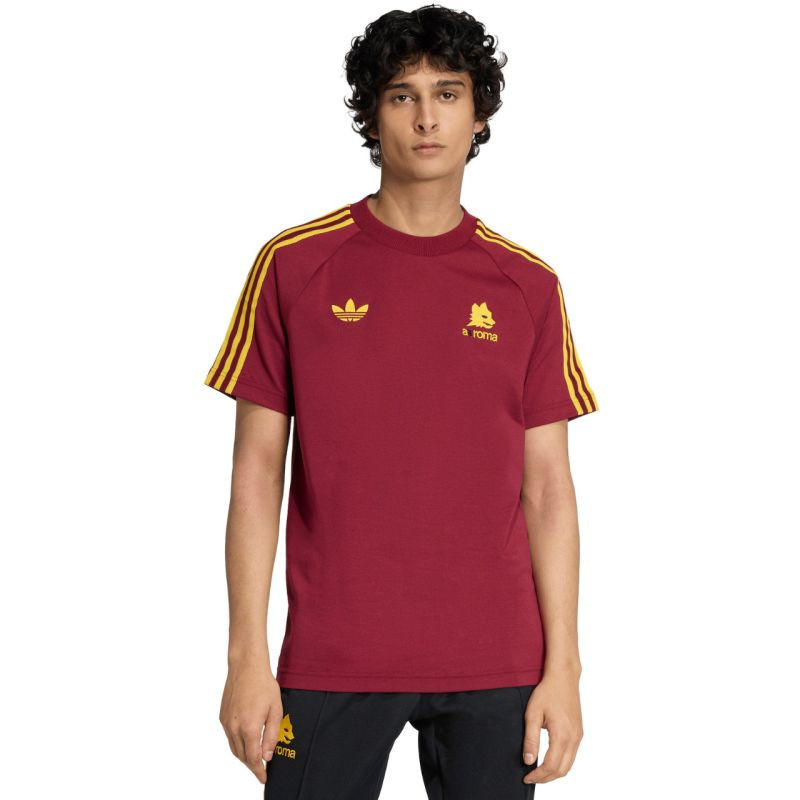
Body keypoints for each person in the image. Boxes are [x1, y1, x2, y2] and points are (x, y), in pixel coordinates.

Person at [204, 6, 598, 797]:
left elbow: (549, 488)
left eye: (447, 93)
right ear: (370, 115)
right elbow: (256, 474)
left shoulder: (528, 286)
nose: (426, 118)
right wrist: (246, 658)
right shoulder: (294, 265)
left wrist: (565, 668)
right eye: (401, 95)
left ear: (478, 114)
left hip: (496, 661)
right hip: (332, 655)